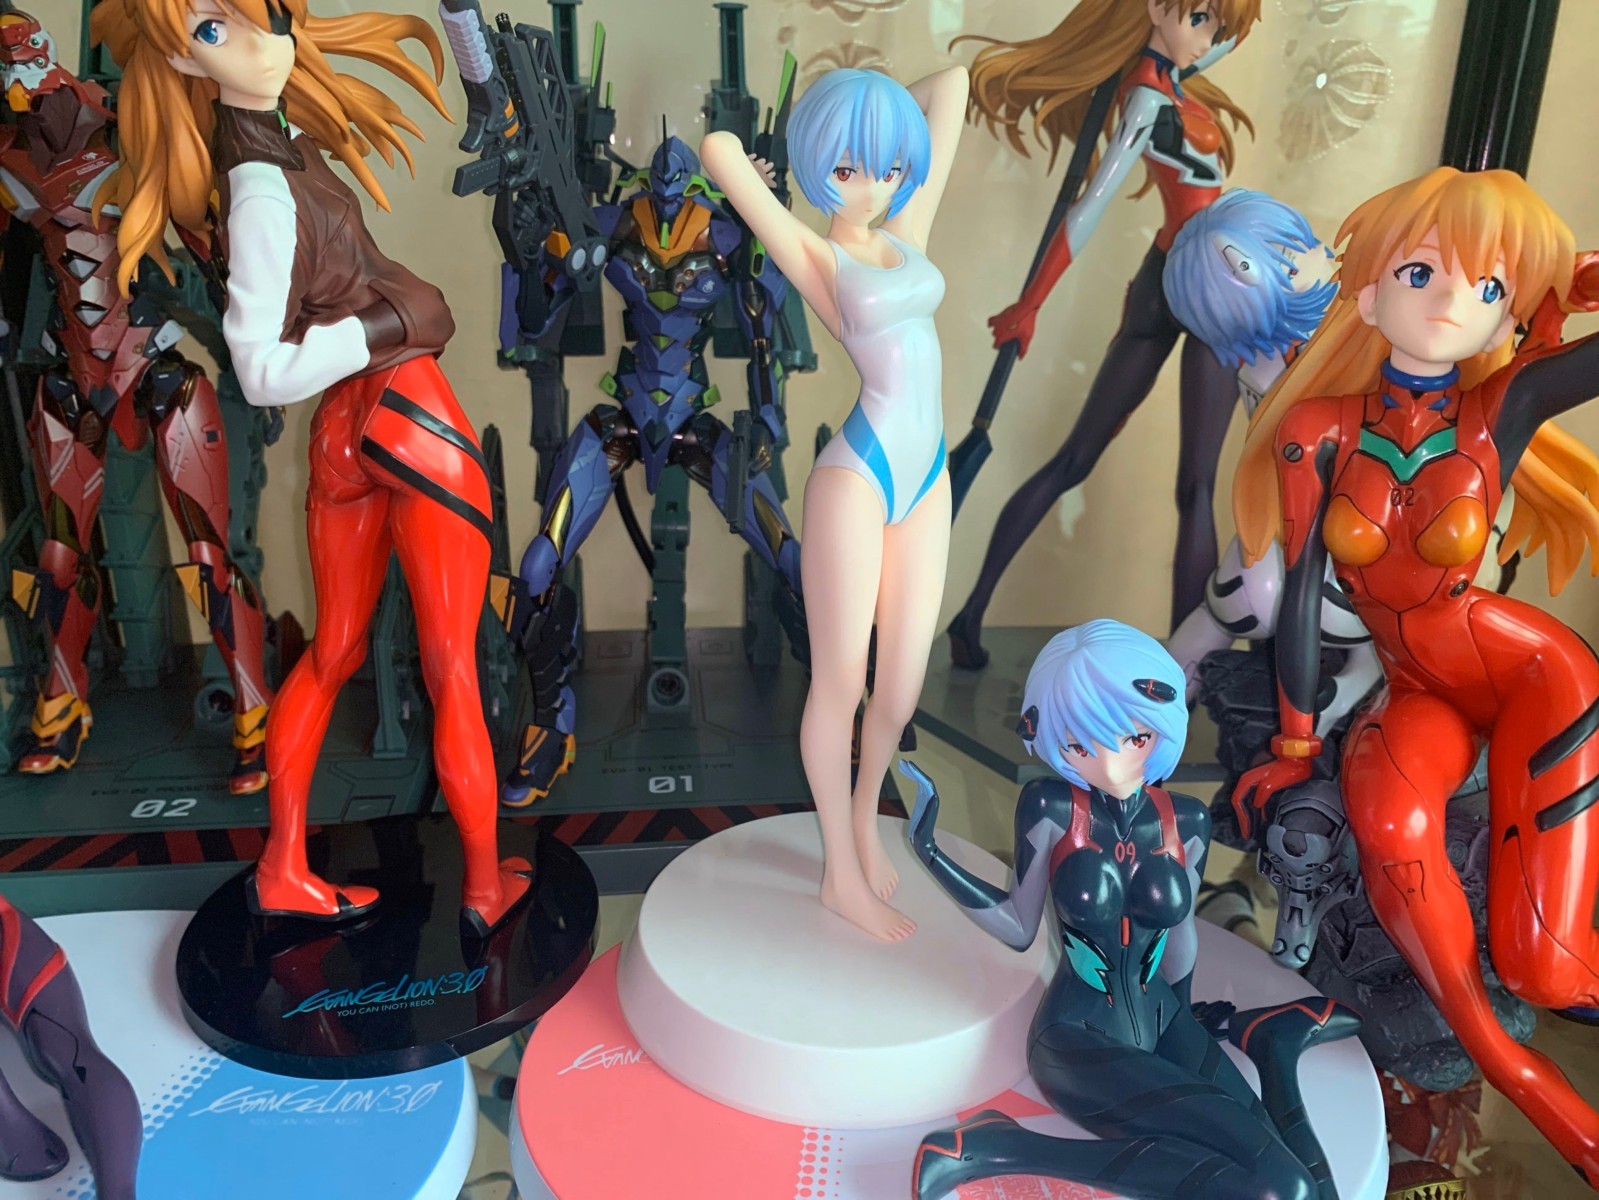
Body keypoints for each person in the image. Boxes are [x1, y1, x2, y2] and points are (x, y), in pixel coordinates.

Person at [93, 0, 530, 932]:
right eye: (212, 32)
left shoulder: (271, 145)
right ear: (183, 62)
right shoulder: (257, 187)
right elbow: (259, 371)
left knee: (334, 653)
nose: (261, 41)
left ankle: (283, 868)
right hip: (402, 406)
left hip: (345, 432)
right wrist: (395, 320)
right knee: (451, 665)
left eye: (261, 13)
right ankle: (485, 890)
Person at [1233, 166, 1599, 1186]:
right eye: (1422, 271)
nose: (1449, 301)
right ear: (1365, 295)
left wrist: (1582, 289)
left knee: (1544, 966)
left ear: (1504, 317)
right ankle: (1525, 1080)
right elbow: (1299, 596)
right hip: (1420, 691)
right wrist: (1294, 744)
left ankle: (1521, 1057)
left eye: (1487, 286)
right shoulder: (1318, 430)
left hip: (1536, 679)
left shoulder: (1499, 408)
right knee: (1389, 822)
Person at [701, 65, 966, 940]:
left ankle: (862, 816)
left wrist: (875, 101)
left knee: (900, 692)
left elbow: (954, 81)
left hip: (926, 475)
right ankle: (838, 873)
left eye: (887, 168)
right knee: (842, 681)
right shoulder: (816, 255)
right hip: (858, 477)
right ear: (820, 169)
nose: (872, 188)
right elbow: (717, 149)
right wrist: (822, 122)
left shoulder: (910, 229)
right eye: (849, 169)